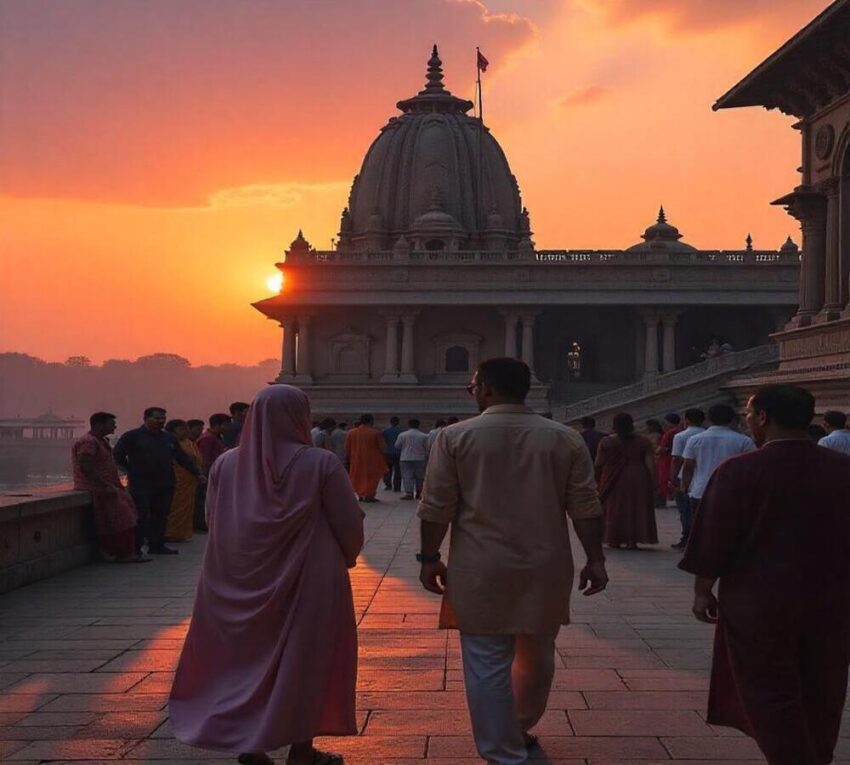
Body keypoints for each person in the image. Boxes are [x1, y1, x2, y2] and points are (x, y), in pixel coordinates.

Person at [418, 357, 608, 765]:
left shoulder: (454, 437)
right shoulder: (564, 438)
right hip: (545, 564)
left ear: (485, 387)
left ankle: (502, 750)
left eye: (473, 387)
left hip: (480, 567)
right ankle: (519, 725)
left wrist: (429, 557)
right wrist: (596, 559)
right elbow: (586, 507)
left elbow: (436, 508)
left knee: (487, 660)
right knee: (537, 653)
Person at [170, 385, 364, 765]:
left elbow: (213, 519)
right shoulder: (320, 463)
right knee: (306, 659)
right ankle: (302, 750)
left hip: (236, 577)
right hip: (309, 575)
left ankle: (251, 745)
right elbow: (348, 522)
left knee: (240, 661)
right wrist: (347, 556)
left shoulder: (226, 464)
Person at [680, 385, 850, 765]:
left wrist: (703, 590)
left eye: (750, 414)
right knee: (823, 686)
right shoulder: (842, 470)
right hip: (833, 600)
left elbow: (714, 538)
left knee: (768, 690)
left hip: (760, 601)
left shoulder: (739, 472)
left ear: (763, 417)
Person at [114, 407, 204, 555]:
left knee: (161, 516)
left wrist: (197, 474)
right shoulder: (132, 436)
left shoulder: (168, 438)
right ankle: (136, 548)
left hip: (165, 483)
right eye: (157, 418)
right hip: (141, 484)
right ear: (146, 418)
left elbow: (182, 458)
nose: (161, 421)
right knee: (140, 516)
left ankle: (157, 545)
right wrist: (131, 470)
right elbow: (117, 455)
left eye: (163, 418)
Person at [71, 412, 149, 563]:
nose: (115, 426)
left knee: (128, 517)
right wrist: (104, 484)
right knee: (122, 520)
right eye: (111, 423)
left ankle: (124, 552)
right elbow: (85, 466)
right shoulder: (88, 442)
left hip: (110, 486)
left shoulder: (99, 441)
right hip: (99, 488)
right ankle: (123, 553)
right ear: (99, 424)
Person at [595, 412, 658, 550]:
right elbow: (651, 465)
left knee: (614, 508)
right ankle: (632, 541)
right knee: (636, 507)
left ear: (614, 425)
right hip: (638, 475)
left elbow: (599, 463)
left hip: (613, 476)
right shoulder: (643, 441)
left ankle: (614, 539)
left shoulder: (606, 442)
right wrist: (654, 482)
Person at [681, 403, 755, 521]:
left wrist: (685, 487)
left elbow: (688, 467)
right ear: (732, 418)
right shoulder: (744, 441)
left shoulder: (694, 440)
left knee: (701, 531)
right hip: (733, 493)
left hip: (700, 490)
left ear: (709, 419)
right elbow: (752, 468)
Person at [669, 408, 706, 550]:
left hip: (685, 477)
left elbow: (676, 459)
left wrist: (673, 479)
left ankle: (687, 537)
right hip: (702, 476)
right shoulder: (705, 433)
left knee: (685, 510)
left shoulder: (681, 436)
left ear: (687, 420)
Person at [164, 419, 203, 543]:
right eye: (181, 429)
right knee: (175, 507)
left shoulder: (189, 443)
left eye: (186, 429)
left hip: (190, 480)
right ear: (172, 432)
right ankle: (170, 533)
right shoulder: (171, 443)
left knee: (187, 507)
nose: (185, 432)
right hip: (177, 479)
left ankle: (182, 533)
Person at [195, 413, 231, 533]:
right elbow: (204, 459)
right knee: (204, 500)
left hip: (216, 474)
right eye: (226, 425)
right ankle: (202, 523)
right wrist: (204, 475)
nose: (228, 428)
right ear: (217, 425)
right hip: (209, 474)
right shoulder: (208, 438)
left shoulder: (216, 437)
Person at [344, 413, 387, 502]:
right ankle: (369, 495)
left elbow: (347, 448)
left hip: (356, 460)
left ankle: (360, 495)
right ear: (371, 421)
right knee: (371, 478)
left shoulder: (351, 432)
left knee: (357, 477)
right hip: (372, 461)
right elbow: (382, 447)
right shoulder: (375, 433)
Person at [394, 418, 430, 500]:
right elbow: (427, 447)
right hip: (420, 458)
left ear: (409, 425)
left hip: (405, 458)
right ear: (418, 425)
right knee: (420, 476)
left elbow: (397, 446)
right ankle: (419, 492)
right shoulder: (424, 435)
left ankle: (409, 493)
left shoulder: (402, 435)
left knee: (407, 476)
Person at [656, 413, 682, 507]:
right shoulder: (680, 431)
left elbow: (661, 449)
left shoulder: (670, 433)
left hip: (667, 459)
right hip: (676, 457)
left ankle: (663, 500)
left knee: (665, 478)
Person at [382, 416, 403, 492]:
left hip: (387, 452)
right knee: (397, 470)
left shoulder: (385, 431)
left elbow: (383, 442)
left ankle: (388, 485)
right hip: (398, 453)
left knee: (387, 470)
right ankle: (397, 486)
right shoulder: (400, 432)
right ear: (397, 422)